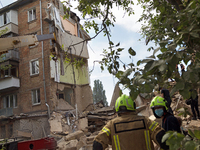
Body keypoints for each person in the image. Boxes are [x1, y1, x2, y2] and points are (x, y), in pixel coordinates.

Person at [93, 94, 169, 150]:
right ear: (133, 106)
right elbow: (162, 137)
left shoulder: (111, 125)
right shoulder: (145, 121)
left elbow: (97, 143)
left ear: (117, 108)